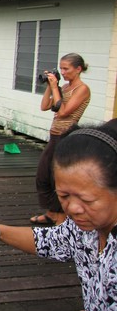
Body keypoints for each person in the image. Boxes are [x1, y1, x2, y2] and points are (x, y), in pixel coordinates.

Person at [0, 119, 117, 311]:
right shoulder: (86, 229)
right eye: (63, 196)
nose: (72, 208)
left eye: (86, 199)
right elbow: (52, 240)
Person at [30, 53, 90, 226]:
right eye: (61, 68)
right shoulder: (63, 88)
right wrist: (50, 86)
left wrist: (56, 88)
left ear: (78, 69)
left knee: (58, 179)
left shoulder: (82, 89)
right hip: (54, 135)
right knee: (43, 175)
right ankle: (51, 213)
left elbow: (63, 112)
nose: (62, 72)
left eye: (66, 69)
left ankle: (61, 218)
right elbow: (45, 106)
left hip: (67, 136)